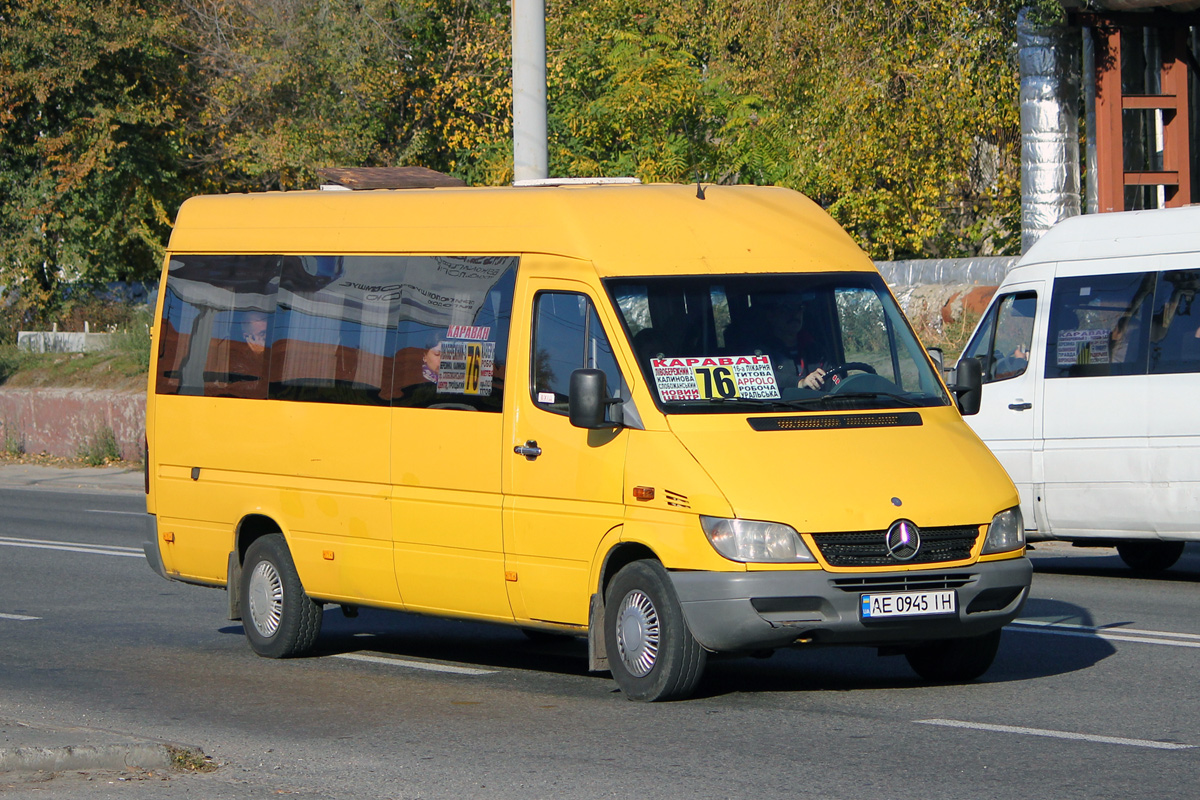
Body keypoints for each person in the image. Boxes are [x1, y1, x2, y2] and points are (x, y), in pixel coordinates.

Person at [759, 297, 830, 390]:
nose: (795, 314)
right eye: (786, 308)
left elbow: (834, 381)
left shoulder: (815, 351)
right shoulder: (758, 353)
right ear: (771, 315)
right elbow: (760, 378)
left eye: (799, 308)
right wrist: (799, 383)